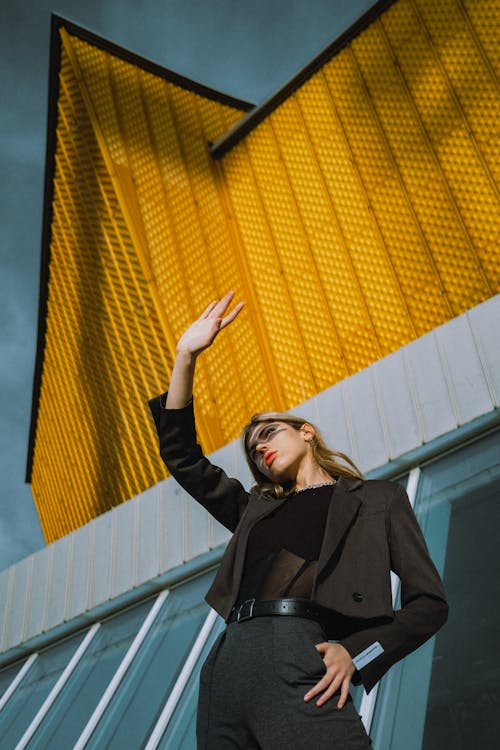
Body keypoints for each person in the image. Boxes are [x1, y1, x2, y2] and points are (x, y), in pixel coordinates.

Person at [149, 291, 448, 750]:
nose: (260, 449)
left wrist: (358, 652)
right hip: (228, 664)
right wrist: (185, 356)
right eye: (253, 451)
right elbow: (183, 458)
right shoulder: (255, 509)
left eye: (269, 434)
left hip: (299, 652)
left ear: (306, 432)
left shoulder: (377, 500)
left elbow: (428, 603)